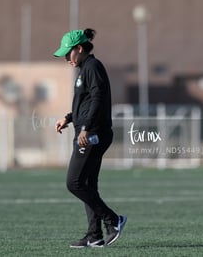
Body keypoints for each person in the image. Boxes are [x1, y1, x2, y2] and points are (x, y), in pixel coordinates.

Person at [54, 28, 127, 248]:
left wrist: (85, 128)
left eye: (68, 53)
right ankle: (94, 235)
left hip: (93, 134)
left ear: (79, 48)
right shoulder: (84, 68)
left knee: (74, 182)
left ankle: (113, 220)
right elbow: (85, 103)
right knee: (86, 183)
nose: (66, 58)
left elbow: (98, 99)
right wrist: (69, 118)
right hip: (88, 131)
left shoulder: (93, 67)